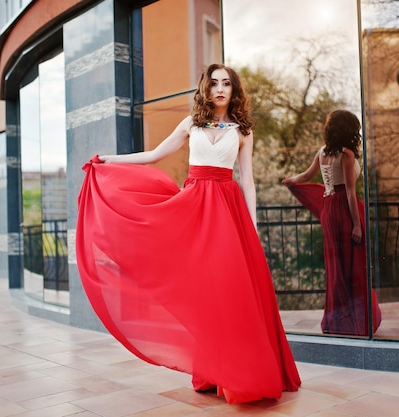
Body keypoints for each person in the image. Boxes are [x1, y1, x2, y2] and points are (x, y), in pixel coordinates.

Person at [76, 63, 301, 404]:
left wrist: (253, 225)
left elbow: (248, 181)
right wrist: (108, 160)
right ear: (206, 89)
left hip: (228, 214)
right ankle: (213, 371)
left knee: (230, 291)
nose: (220, 89)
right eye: (214, 83)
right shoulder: (191, 124)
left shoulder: (242, 131)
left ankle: (238, 374)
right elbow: (154, 155)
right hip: (194, 209)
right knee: (205, 292)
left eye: (226, 83)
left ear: (233, 89)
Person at [282, 109, 381, 336]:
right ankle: (351, 322)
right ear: (349, 131)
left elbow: (306, 176)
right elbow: (348, 193)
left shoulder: (323, 152)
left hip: (328, 210)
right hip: (344, 210)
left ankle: (335, 321)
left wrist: (291, 181)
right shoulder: (347, 155)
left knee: (336, 266)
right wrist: (357, 225)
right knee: (350, 265)